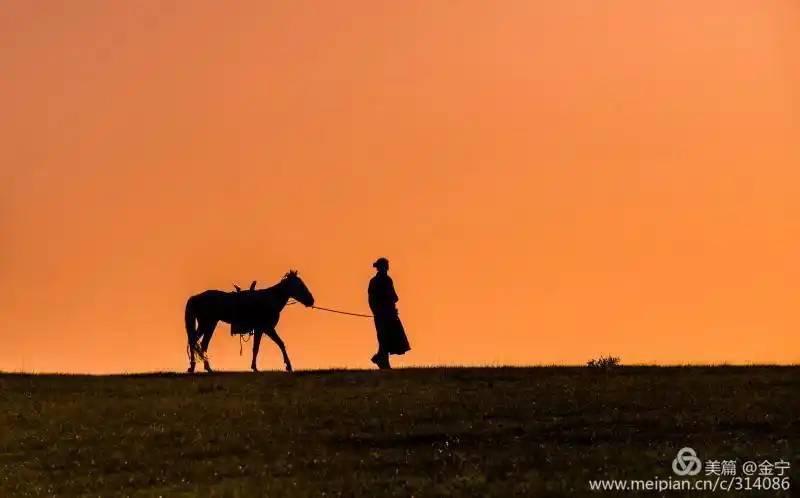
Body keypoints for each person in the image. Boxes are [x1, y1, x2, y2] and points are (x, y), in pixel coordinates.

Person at [368, 257, 410, 369]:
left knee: (384, 337)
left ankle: (381, 359)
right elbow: (394, 297)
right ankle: (381, 359)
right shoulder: (386, 280)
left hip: (381, 315)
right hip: (387, 315)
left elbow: (371, 300)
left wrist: (376, 312)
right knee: (386, 337)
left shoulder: (374, 281)